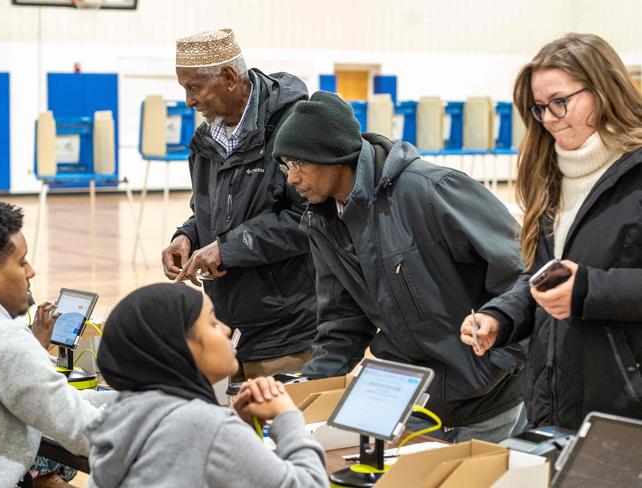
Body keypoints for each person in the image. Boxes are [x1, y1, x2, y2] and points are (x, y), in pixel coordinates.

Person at [272, 91, 526, 443]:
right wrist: (300, 389)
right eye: (285, 167)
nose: (291, 179)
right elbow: (341, 323)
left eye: (298, 164)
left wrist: (500, 362)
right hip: (406, 399)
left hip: (486, 401)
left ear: (332, 156)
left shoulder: (431, 191)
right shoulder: (322, 223)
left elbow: (522, 272)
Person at [460, 33, 642, 430]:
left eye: (560, 102)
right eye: (540, 108)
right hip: (554, 399)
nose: (549, 118)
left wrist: (588, 290)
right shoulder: (552, 175)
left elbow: (580, 285)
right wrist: (502, 317)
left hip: (624, 408)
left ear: (604, 89)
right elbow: (546, 276)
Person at [162, 29, 317, 381]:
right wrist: (187, 236)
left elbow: (308, 220)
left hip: (285, 333)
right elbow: (208, 209)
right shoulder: (204, 140)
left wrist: (227, 249)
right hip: (224, 331)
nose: (188, 101)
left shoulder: (292, 128)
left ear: (230, 78)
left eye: (194, 88)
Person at [86, 283, 329, 487]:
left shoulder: (121, 412)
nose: (226, 329)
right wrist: (288, 417)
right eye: (213, 323)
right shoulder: (204, 425)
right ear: (181, 347)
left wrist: (240, 429)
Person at [0, 197, 114, 487]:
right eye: (22, 263)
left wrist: (133, 401)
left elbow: (64, 400)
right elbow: (82, 429)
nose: (31, 271)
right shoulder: (6, 339)